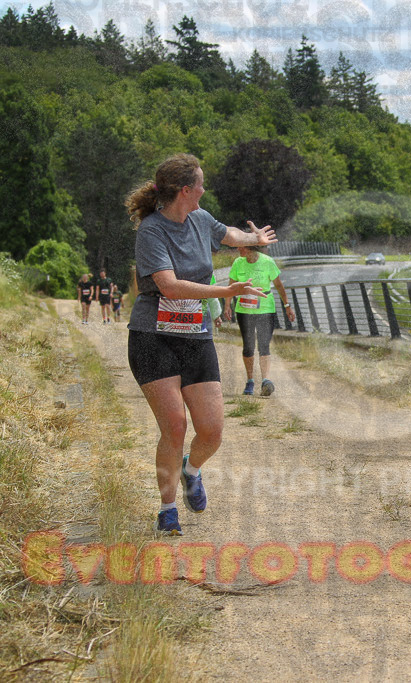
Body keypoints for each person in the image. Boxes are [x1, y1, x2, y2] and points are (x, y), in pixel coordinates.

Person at [125, 153, 275, 536]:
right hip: (153, 338)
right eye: (201, 184)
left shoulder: (201, 219)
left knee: (211, 431)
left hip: (195, 336)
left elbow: (231, 235)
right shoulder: (152, 231)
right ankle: (168, 509)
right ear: (185, 190)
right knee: (174, 425)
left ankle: (192, 470)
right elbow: (170, 286)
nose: (205, 190)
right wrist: (227, 289)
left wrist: (255, 239)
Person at [223, 243, 295, 396]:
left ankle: (265, 381)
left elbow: (279, 286)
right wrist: (227, 305)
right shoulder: (238, 263)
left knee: (264, 344)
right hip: (244, 309)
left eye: (240, 246)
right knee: (248, 346)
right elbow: (231, 286)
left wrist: (287, 305)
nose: (238, 249)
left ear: (249, 248)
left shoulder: (267, 261)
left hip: (265, 309)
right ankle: (250, 381)